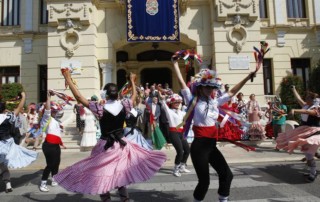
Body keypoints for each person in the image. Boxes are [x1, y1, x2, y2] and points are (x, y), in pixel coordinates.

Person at [55, 70, 166, 201]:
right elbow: (133, 96)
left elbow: (79, 98)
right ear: (116, 94)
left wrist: (68, 79)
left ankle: (107, 199)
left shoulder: (99, 108)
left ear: (105, 94)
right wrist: (132, 81)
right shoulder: (125, 104)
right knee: (119, 173)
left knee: (102, 174)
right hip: (121, 145)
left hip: (105, 145)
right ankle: (125, 199)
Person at [172, 57, 259, 202]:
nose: (210, 90)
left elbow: (232, 92)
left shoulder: (214, 101)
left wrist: (248, 76)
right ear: (200, 87)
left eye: (212, 87)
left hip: (211, 146)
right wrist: (174, 63)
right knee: (204, 182)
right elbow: (182, 83)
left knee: (227, 174)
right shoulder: (192, 99)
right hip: (199, 146)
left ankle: (223, 199)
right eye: (207, 87)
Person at [0, 92, 38, 193]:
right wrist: (24, 97)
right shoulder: (8, 117)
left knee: (2, 165)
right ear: (4, 109)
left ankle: (7, 183)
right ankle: (8, 184)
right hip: (7, 143)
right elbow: (19, 108)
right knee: (4, 165)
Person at [276, 98, 320, 182]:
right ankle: (313, 170)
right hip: (306, 132)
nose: (306, 99)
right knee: (308, 153)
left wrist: (294, 110)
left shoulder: (316, 110)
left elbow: (306, 112)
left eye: (308, 98)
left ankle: (313, 173)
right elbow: (299, 100)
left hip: (314, 133)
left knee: (309, 154)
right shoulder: (308, 106)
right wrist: (293, 89)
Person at [39, 93, 67, 192]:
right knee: (50, 164)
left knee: (57, 163)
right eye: (53, 111)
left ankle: (54, 179)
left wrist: (62, 144)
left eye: (55, 111)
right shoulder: (46, 118)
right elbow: (47, 110)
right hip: (48, 145)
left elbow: (57, 134)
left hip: (55, 145)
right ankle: (43, 183)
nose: (55, 112)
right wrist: (48, 97)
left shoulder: (55, 121)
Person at [158, 91, 190, 177]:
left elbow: (187, 117)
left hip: (181, 133)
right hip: (173, 133)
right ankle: (176, 169)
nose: (177, 103)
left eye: (178, 102)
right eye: (175, 102)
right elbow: (164, 104)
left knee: (187, 150)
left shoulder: (181, 112)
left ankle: (182, 166)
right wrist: (162, 98)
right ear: (171, 103)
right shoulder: (169, 111)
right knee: (180, 151)